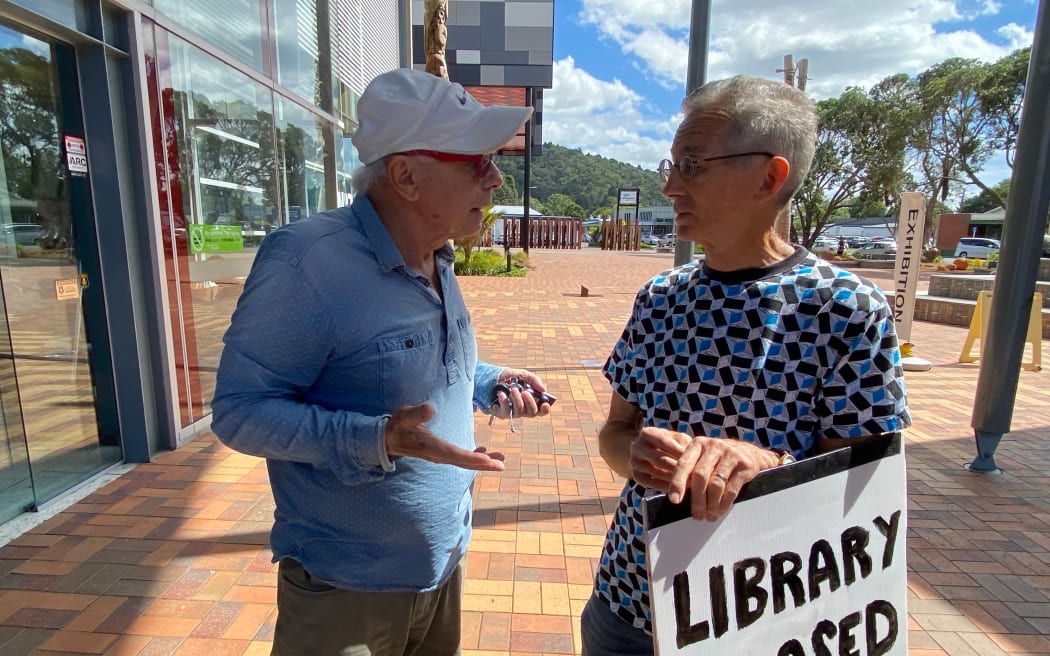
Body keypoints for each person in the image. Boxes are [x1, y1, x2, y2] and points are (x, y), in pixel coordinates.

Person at [211, 67, 552, 656]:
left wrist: (490, 381)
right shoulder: (307, 262)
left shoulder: (437, 255)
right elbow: (239, 413)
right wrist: (379, 440)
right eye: (476, 161)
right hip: (347, 592)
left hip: (442, 567)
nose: (494, 178)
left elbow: (420, 371)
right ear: (406, 175)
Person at [580, 75, 912, 654]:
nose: (670, 185)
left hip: (765, 619)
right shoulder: (660, 298)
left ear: (770, 176)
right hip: (630, 602)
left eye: (692, 165)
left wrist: (772, 464)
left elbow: (867, 482)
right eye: (673, 163)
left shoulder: (845, 308)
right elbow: (615, 432)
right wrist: (632, 457)